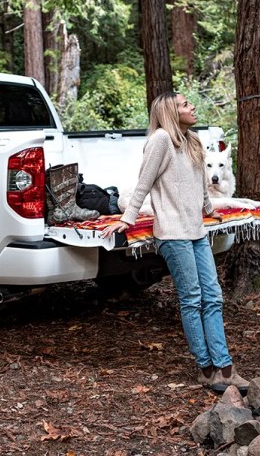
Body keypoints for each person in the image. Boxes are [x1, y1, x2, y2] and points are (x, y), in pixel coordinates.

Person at [101, 92, 249, 391]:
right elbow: (144, 182)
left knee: (214, 297)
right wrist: (127, 218)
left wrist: (208, 210)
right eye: (184, 104)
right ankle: (207, 370)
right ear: (170, 111)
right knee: (192, 300)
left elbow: (200, 184)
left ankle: (226, 368)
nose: (191, 107)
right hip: (172, 233)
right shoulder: (160, 141)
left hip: (196, 231)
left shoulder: (192, 140)